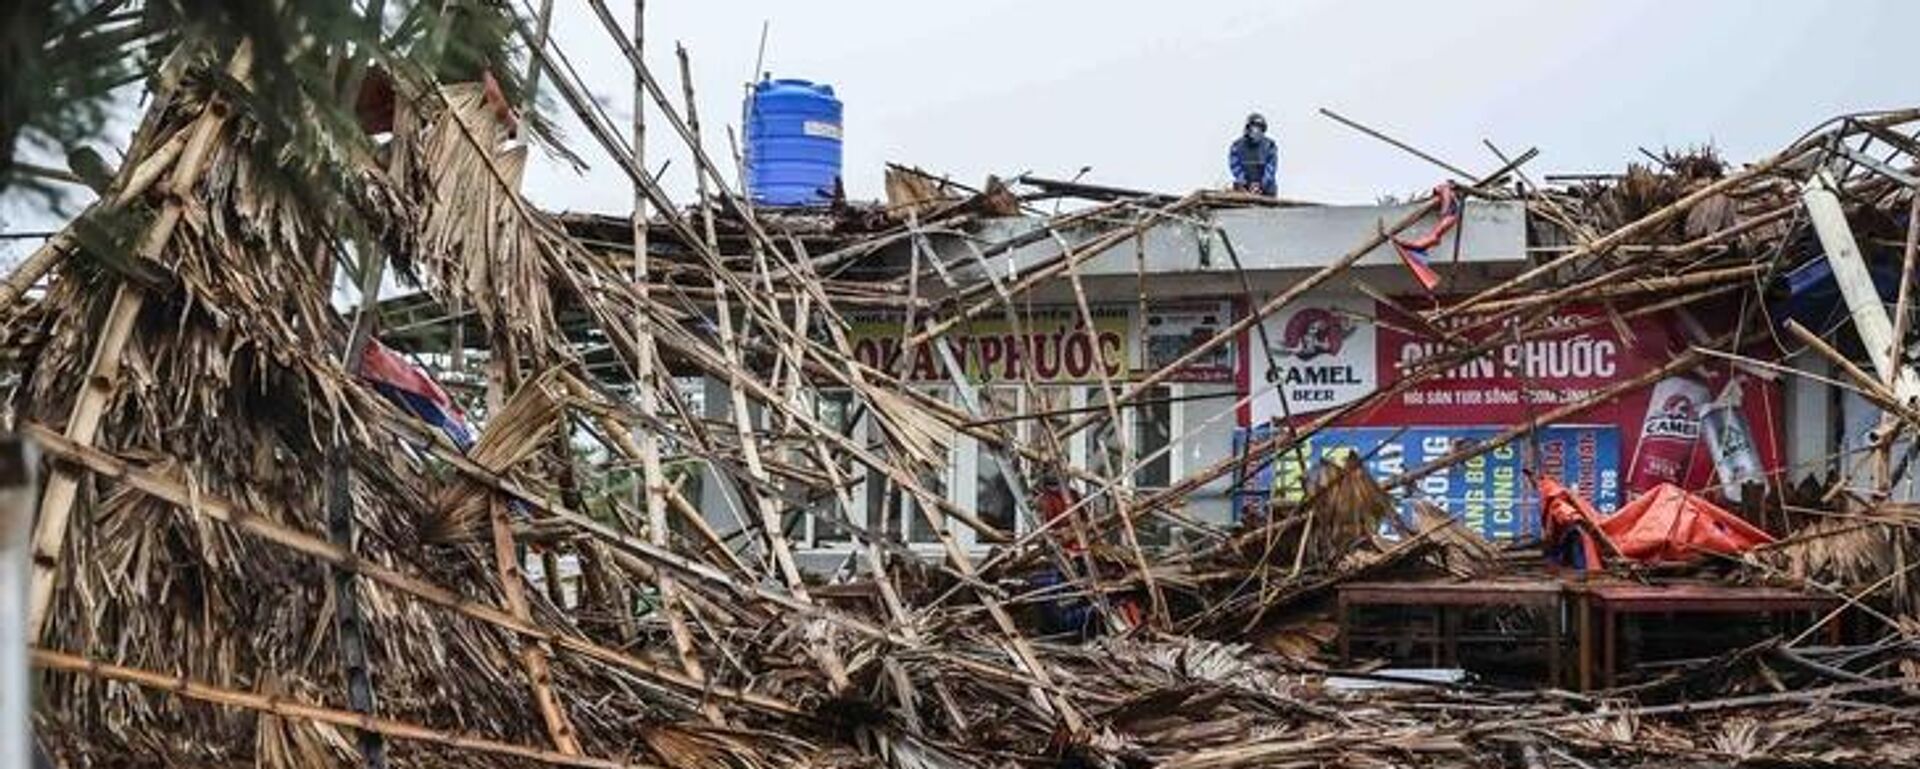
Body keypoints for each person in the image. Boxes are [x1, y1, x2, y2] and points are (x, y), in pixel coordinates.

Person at [1228, 112, 1278, 196]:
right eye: (1254, 127)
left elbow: (1271, 167)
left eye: (1259, 128)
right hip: (1245, 185)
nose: (1256, 131)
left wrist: (1261, 185)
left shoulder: (1270, 145)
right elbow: (1234, 166)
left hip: (1265, 186)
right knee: (1237, 186)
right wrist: (1245, 183)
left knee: (1271, 188)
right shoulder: (1236, 146)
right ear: (1248, 128)